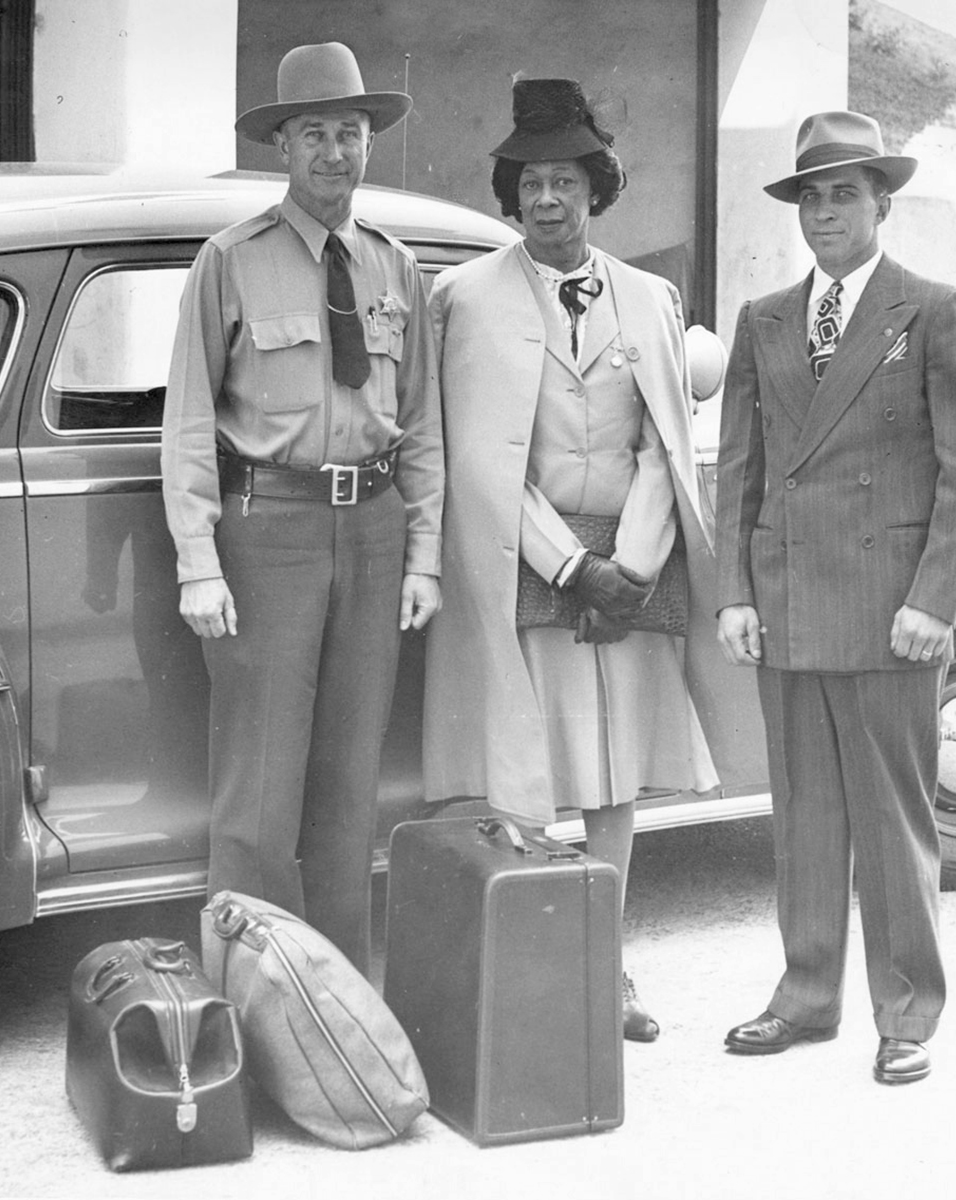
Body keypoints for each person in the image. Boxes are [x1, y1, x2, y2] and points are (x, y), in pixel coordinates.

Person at [423, 78, 747, 1042]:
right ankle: (537, 967)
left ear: (596, 189)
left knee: (614, 772)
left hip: (632, 567)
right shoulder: (463, 300)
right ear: (510, 193)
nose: (547, 199)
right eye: (529, 182)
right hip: (528, 559)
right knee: (530, 765)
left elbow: (665, 438)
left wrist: (636, 563)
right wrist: (570, 566)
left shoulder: (650, 297)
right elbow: (478, 455)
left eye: (566, 179)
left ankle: (608, 968)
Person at [713, 111, 956, 1084]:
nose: (825, 212)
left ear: (882, 201)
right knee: (800, 818)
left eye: (844, 193)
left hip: (889, 613)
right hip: (787, 602)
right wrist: (733, 594)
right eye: (811, 196)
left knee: (891, 820)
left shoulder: (932, 308)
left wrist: (932, 599)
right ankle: (804, 998)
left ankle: (906, 1012)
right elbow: (741, 473)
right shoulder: (762, 320)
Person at [160, 42, 443, 975]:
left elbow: (423, 429)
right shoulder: (229, 261)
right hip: (267, 532)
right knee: (259, 791)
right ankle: (250, 1003)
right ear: (282, 146)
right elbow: (191, 422)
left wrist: (423, 555)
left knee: (350, 785)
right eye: (314, 132)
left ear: (370, 146)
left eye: (351, 133)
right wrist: (198, 560)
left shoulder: (397, 269)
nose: (334, 152)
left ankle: (339, 1009)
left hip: (370, 529)